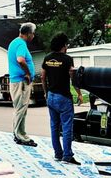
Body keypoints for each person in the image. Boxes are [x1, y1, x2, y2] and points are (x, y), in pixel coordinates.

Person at [42, 33, 84, 164]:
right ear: (63, 45)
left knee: (54, 126)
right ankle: (67, 156)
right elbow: (73, 78)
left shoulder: (47, 58)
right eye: (66, 45)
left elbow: (43, 77)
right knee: (66, 127)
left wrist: (46, 93)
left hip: (51, 96)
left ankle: (57, 154)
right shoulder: (67, 59)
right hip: (63, 97)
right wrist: (79, 94)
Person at [8, 22, 38, 146]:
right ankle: (19, 135)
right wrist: (27, 73)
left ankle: (20, 133)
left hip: (18, 81)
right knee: (21, 108)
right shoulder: (21, 43)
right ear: (28, 33)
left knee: (21, 109)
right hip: (21, 82)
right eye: (33, 33)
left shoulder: (14, 42)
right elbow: (20, 60)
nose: (33, 36)